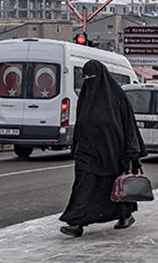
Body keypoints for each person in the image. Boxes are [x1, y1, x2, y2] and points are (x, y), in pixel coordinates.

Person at [59, 60, 148, 237]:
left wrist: (133, 152)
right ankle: (76, 223)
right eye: (86, 78)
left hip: (113, 153)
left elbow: (128, 125)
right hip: (88, 152)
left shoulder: (117, 96)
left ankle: (125, 215)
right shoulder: (86, 95)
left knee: (114, 188)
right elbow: (81, 124)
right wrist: (75, 147)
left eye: (92, 77)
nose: (89, 81)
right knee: (83, 186)